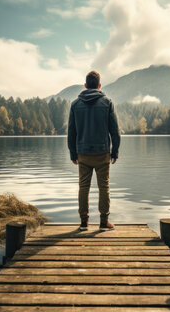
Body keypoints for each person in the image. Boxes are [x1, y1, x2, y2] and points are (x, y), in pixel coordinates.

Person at [68, 71, 121, 231]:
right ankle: (104, 222)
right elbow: (115, 131)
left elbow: (71, 132)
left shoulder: (75, 104)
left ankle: (84, 222)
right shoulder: (107, 102)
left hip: (83, 153)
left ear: (85, 85)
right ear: (99, 85)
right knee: (104, 187)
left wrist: (73, 153)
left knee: (84, 187)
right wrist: (115, 151)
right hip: (102, 152)